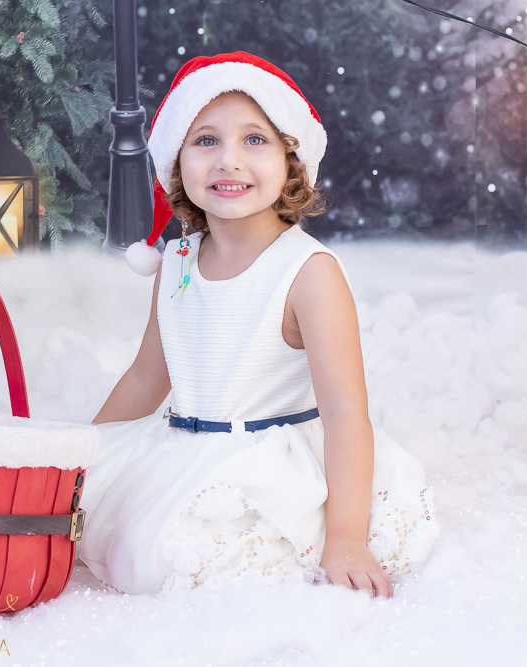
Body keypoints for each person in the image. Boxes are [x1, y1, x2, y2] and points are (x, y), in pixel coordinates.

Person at [79, 52, 437, 598]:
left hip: (272, 465)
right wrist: (78, 462)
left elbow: (345, 412)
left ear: (291, 159)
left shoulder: (308, 274)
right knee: (122, 536)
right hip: (182, 448)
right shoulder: (174, 263)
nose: (229, 161)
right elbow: (146, 380)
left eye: (255, 140)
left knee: (201, 557)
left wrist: (345, 538)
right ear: (176, 163)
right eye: (205, 141)